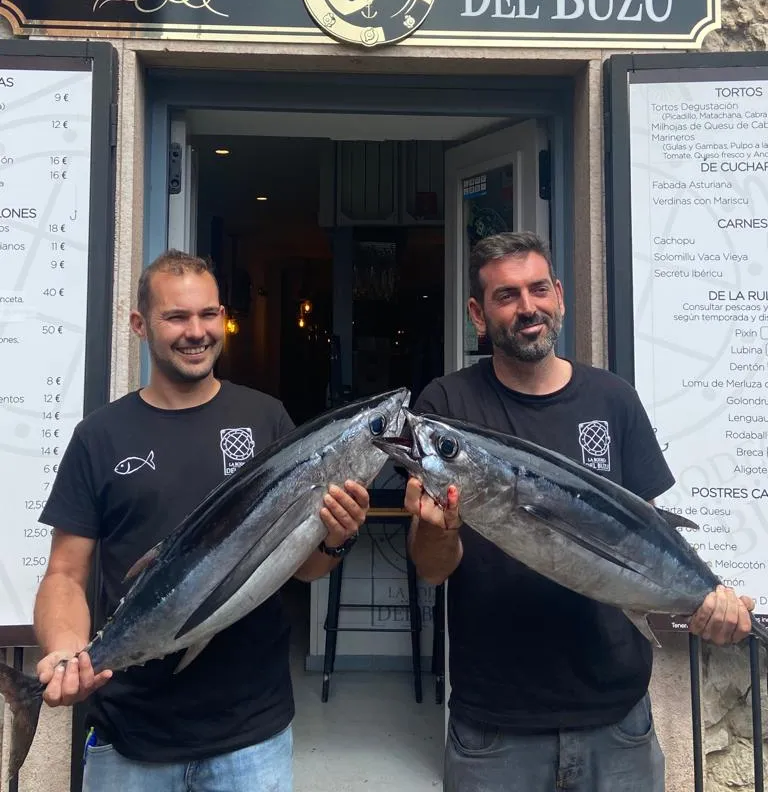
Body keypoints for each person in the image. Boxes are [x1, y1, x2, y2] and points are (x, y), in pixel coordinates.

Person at [404, 231, 755, 792]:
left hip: (618, 720)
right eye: (506, 296)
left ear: (560, 295)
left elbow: (648, 538)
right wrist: (437, 530)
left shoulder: (612, 398)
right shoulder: (447, 410)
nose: (527, 308)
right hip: (496, 726)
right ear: (477, 312)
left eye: (538, 289)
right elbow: (431, 567)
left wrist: (708, 602)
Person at [34, 250, 368, 792]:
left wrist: (332, 539)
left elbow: (298, 569)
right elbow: (65, 574)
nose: (198, 332)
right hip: (130, 735)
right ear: (140, 324)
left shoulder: (266, 418)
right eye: (177, 317)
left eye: (209, 314)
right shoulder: (100, 436)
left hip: (251, 735)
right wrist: (68, 648)